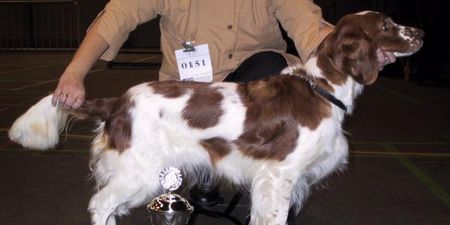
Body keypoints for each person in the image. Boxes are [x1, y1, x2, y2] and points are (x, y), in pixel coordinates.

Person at [52, 0, 395, 108]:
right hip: (191, 97)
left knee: (271, 65)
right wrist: (74, 72)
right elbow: (114, 19)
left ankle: (264, 171)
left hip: (257, 90)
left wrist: (360, 50)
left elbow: (310, 26)